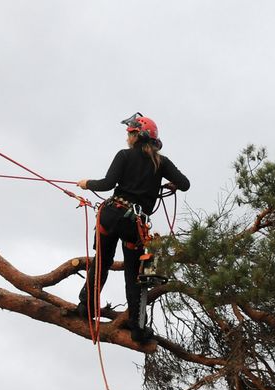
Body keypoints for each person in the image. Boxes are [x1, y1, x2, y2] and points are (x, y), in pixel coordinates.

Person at [76, 112, 190, 343]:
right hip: (134, 224)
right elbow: (185, 184)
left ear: (137, 134)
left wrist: (87, 184)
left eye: (130, 133)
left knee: (102, 261)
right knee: (135, 276)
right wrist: (171, 184)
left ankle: (86, 306)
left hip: (110, 216)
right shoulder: (161, 162)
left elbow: (107, 184)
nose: (127, 137)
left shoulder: (124, 156)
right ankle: (138, 329)